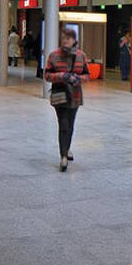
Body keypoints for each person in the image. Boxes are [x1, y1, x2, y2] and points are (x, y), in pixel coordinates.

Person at [44, 28, 90, 170]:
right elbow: (46, 75)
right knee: (63, 124)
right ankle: (63, 156)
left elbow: (87, 75)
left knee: (70, 124)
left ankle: (67, 148)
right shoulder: (54, 55)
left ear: (74, 40)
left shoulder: (81, 56)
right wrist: (61, 76)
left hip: (75, 95)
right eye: (64, 38)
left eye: (68, 39)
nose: (66, 41)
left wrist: (78, 79)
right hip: (60, 96)